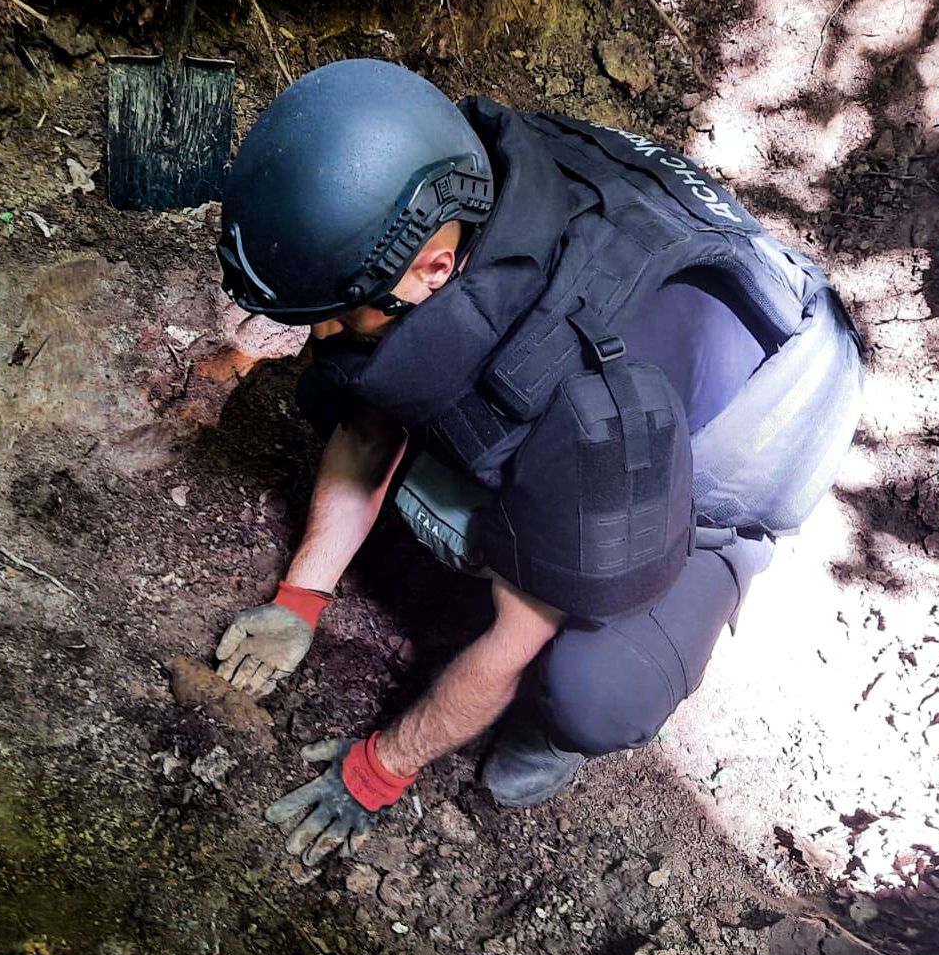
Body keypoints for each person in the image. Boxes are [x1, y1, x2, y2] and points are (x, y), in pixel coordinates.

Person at [211, 59, 862, 868]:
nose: (320, 333)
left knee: (599, 689)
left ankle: (568, 722)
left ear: (434, 269)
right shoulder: (448, 180)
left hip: (741, 431)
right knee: (353, 376)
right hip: (654, 262)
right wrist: (300, 600)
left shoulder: (595, 412)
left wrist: (377, 771)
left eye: (337, 314)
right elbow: (369, 420)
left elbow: (516, 637)